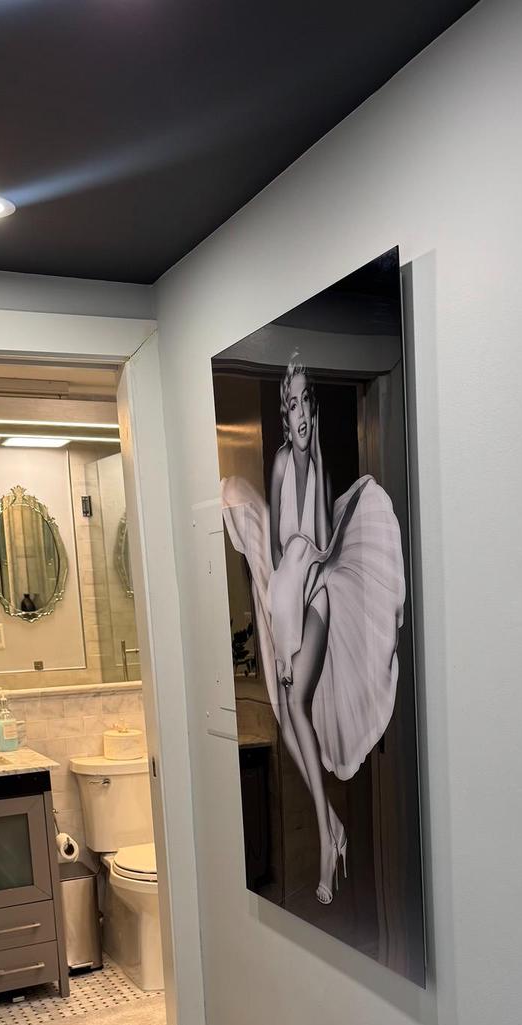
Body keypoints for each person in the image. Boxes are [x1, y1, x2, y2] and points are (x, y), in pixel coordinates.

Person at [222, 355, 406, 904]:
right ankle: (331, 829)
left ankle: (328, 839)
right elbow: (283, 557)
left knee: (295, 705)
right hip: (289, 592)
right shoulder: (280, 464)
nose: (300, 413)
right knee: (291, 714)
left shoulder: (319, 467)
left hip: (320, 590)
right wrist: (283, 636)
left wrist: (322, 457)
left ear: (313, 409)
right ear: (286, 411)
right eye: (293, 403)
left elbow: (323, 549)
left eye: (307, 402)